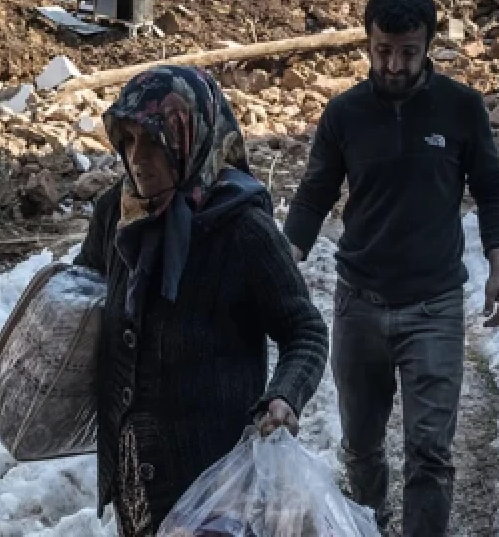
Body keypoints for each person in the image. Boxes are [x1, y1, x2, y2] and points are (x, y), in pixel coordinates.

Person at [284, 0, 499, 537]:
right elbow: (315, 195)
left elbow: (492, 188)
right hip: (359, 304)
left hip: (434, 306)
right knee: (361, 448)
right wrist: (284, 263)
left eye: (407, 52)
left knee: (430, 453)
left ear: (428, 45)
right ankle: (371, 524)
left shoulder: (460, 108)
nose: (393, 64)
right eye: (382, 49)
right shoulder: (344, 114)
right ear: (368, 42)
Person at [75, 65, 330, 537]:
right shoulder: (117, 212)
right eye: (128, 141)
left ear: (188, 138)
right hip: (132, 468)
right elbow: (83, 292)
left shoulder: (241, 228)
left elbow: (305, 331)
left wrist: (284, 395)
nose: (137, 159)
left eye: (154, 141)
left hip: (214, 478)